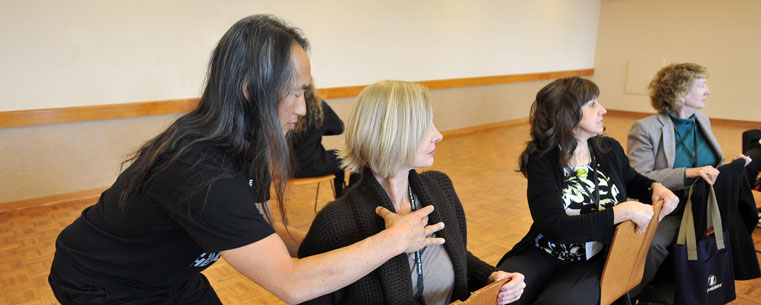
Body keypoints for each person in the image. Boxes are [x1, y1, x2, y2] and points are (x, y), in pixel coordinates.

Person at [48, 15, 444, 305]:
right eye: (296, 93)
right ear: (251, 90)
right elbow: (291, 284)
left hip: (171, 277)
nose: (304, 110)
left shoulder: (247, 143)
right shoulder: (200, 172)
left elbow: (264, 231)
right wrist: (394, 240)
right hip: (103, 283)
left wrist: (332, 245)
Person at [298, 80, 526, 305]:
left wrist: (492, 276)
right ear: (391, 133)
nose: (438, 135)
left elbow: (456, 255)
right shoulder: (335, 223)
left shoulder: (440, 188)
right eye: (425, 125)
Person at [496, 77, 679, 305]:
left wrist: (655, 187)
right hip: (545, 251)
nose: (602, 109)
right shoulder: (542, 159)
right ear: (567, 113)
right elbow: (556, 227)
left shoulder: (608, 149)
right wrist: (622, 212)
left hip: (592, 258)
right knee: (501, 294)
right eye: (592, 104)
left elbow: (631, 179)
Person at [626, 63, 752, 297]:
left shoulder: (701, 120)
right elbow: (638, 176)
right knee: (652, 246)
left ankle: (698, 291)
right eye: (702, 85)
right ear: (681, 93)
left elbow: (713, 165)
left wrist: (732, 166)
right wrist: (689, 173)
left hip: (704, 204)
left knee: (737, 227)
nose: (708, 91)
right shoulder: (646, 128)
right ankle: (627, 295)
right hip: (670, 207)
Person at [290, 84, 358, 197]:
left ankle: (342, 197)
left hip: (286, 168)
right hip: (313, 166)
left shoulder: (284, 105)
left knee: (338, 158)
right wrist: (318, 130)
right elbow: (338, 128)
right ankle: (352, 197)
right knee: (355, 158)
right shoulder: (317, 107)